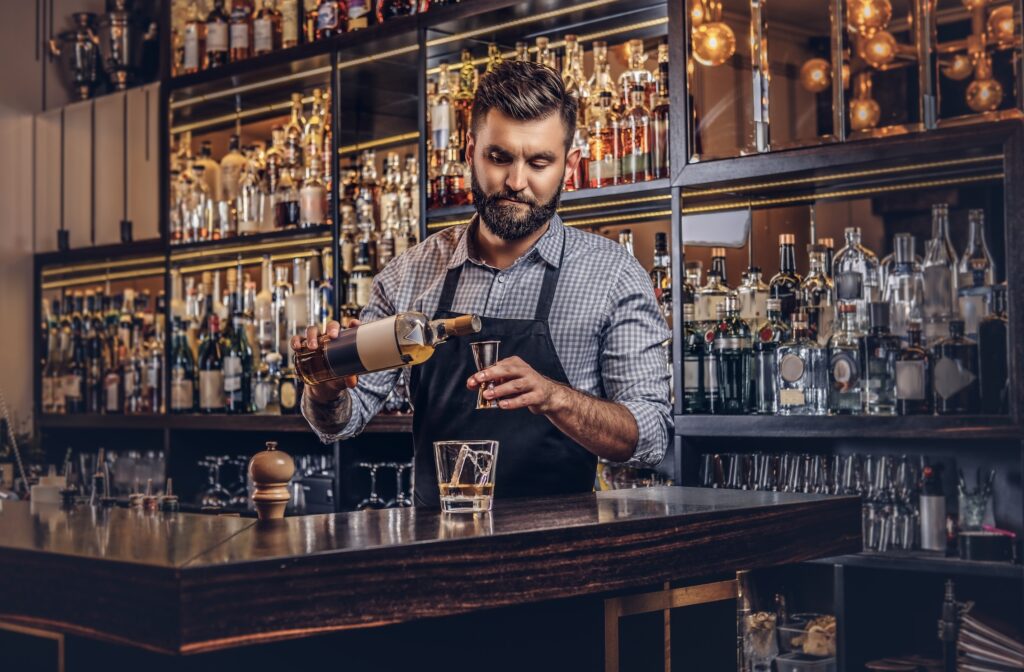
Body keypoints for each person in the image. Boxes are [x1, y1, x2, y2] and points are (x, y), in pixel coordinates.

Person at [293, 60, 671, 507]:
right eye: (499, 157)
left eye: (539, 162)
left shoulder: (611, 275)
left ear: (569, 166)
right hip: (436, 549)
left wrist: (555, 398)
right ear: (469, 150)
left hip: (563, 552)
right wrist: (325, 390)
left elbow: (649, 437)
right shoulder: (408, 275)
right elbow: (342, 422)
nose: (516, 181)